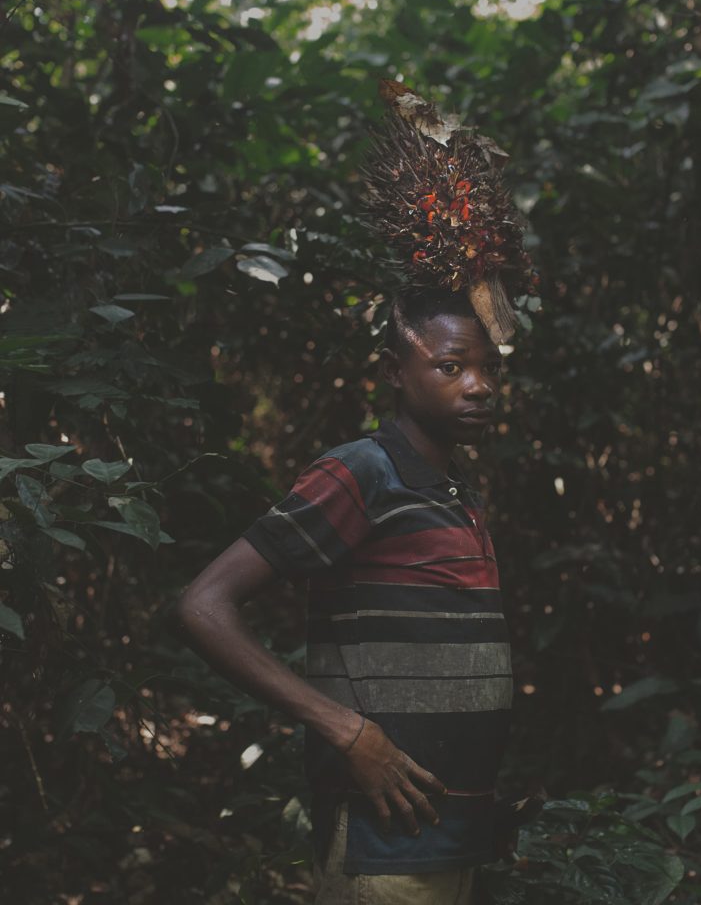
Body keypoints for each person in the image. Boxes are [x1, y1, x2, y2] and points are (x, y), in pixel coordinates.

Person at [176, 285, 513, 904]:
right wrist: (348, 732)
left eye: (490, 368)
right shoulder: (363, 471)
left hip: (454, 838)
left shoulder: (456, 492)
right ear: (394, 371)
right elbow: (203, 606)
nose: (479, 386)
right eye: (451, 366)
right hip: (380, 844)